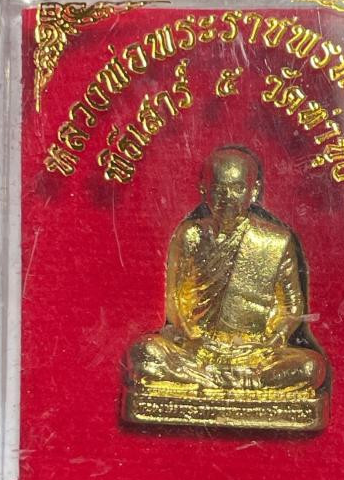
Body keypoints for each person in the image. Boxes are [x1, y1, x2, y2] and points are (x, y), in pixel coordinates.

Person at [124, 145, 328, 397]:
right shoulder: (190, 235)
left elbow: (291, 306)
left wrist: (275, 338)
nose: (228, 197)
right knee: (143, 352)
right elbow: (175, 301)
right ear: (204, 191)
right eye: (219, 189)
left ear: (254, 191)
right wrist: (192, 337)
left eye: (238, 188)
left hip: (254, 353)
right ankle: (236, 381)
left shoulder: (275, 241)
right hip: (198, 350)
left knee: (311, 367)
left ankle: (208, 380)